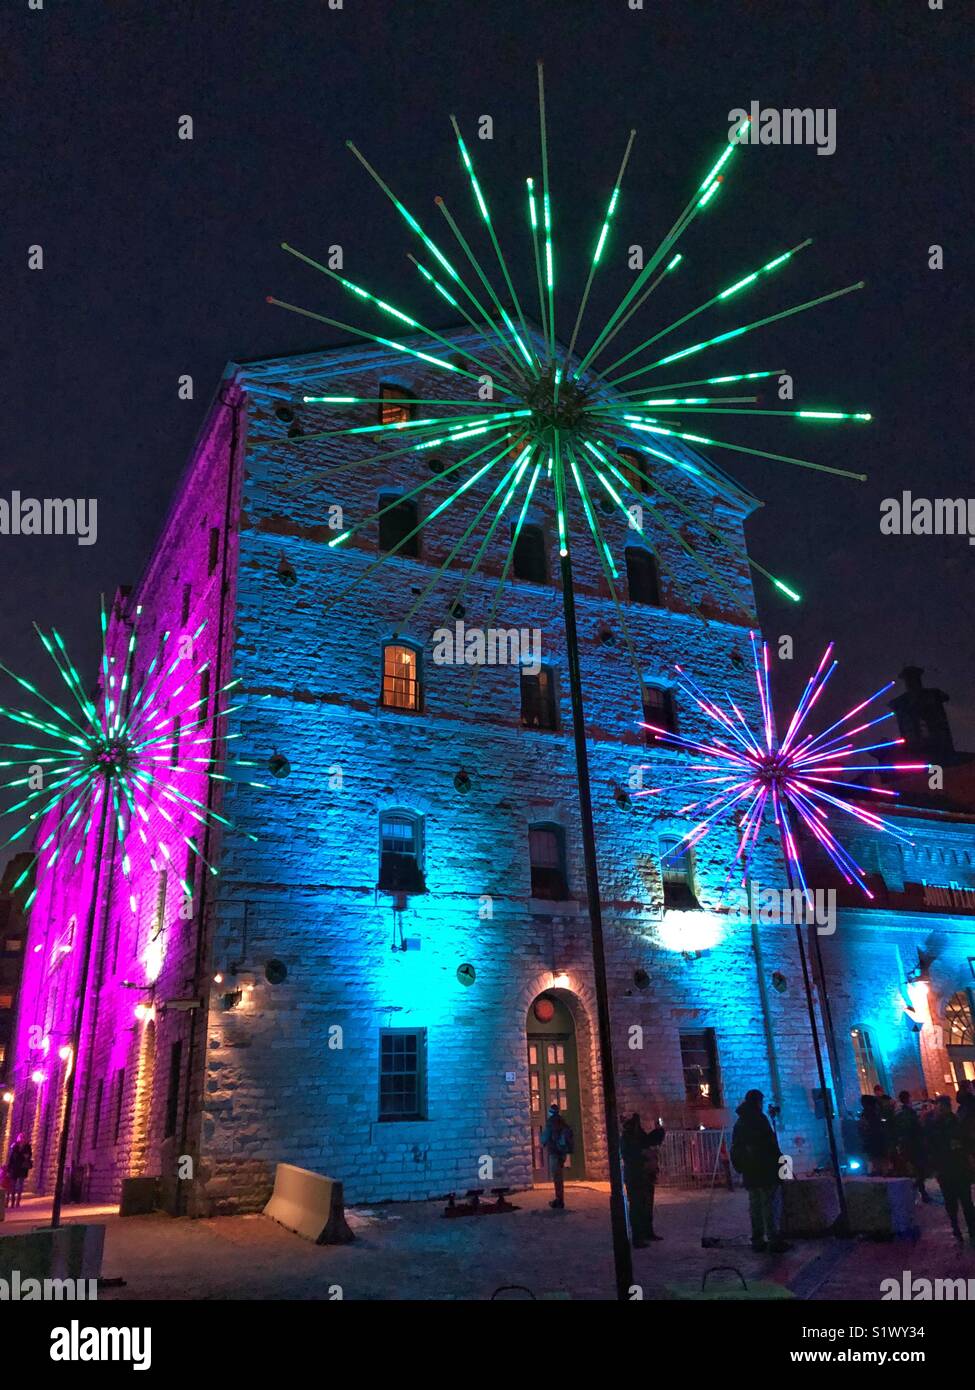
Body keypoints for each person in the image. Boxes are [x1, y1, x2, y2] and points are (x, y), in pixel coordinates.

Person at [730, 1089, 790, 1253]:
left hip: (750, 1171)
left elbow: (736, 1147)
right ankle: (773, 1238)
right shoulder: (759, 1119)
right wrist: (779, 1161)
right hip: (765, 1169)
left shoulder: (740, 1122)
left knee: (755, 1205)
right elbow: (769, 1143)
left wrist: (741, 1166)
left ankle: (757, 1239)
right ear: (757, 1102)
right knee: (770, 1205)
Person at [926, 1096, 975, 1244]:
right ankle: (958, 1228)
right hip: (948, 1169)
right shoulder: (937, 1126)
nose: (938, 1110)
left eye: (940, 1107)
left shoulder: (956, 1124)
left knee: (964, 1201)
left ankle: (970, 1229)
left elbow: (967, 1143)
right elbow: (931, 1148)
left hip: (957, 1167)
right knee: (953, 1202)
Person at [621, 1113, 664, 1247]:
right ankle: (638, 1237)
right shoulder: (628, 1138)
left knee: (646, 1205)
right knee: (637, 1206)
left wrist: (659, 1131)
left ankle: (647, 1232)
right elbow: (630, 1155)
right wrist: (643, 1155)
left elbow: (650, 1140)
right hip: (635, 1175)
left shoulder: (638, 1135)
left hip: (645, 1174)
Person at [892, 1090, 930, 1201]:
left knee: (915, 1169)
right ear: (908, 1098)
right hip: (916, 1144)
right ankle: (918, 1189)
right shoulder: (910, 1113)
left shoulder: (899, 1114)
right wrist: (922, 1118)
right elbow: (917, 1128)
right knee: (921, 1169)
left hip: (906, 1145)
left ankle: (919, 1191)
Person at [539, 1103, 573, 1210]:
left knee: (557, 1177)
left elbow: (545, 1137)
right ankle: (560, 1199)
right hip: (562, 1152)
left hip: (554, 1152)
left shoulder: (551, 1122)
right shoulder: (563, 1121)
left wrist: (542, 1142)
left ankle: (559, 1200)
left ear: (551, 1112)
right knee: (560, 1176)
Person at [858, 1094, 889, 1175]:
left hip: (872, 1140)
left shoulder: (866, 1114)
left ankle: (876, 1172)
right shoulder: (874, 1113)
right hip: (877, 1140)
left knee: (875, 1158)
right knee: (880, 1159)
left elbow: (864, 1128)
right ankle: (881, 1172)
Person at [5, 1133, 32, 1209]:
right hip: (14, 1168)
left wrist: (27, 1156)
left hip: (22, 1168)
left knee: (20, 1185)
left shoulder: (27, 1146)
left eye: (23, 1137)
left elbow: (29, 1156)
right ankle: (11, 1201)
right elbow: (11, 1158)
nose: (22, 1138)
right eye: (20, 1137)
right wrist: (8, 1169)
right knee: (12, 1185)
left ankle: (17, 1201)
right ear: (18, 1138)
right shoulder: (14, 1146)